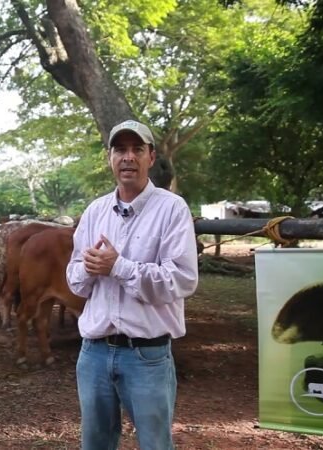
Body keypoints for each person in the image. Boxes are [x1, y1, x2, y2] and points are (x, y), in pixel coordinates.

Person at [66, 119, 198, 450]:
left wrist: (119, 267)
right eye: (120, 149)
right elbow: (75, 281)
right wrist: (91, 270)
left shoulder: (171, 209)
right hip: (94, 353)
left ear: (151, 157)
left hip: (147, 355)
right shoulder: (95, 211)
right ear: (109, 157)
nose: (128, 157)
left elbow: (182, 278)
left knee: (155, 444)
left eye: (137, 149)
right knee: (95, 443)